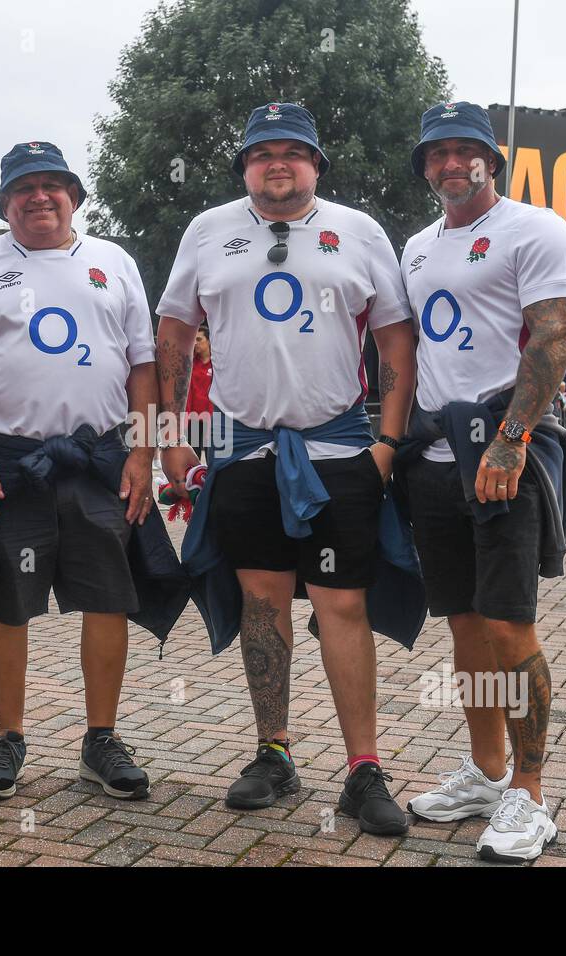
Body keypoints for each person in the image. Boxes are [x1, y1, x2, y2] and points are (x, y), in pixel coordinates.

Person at [155, 102, 419, 835]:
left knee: (342, 606)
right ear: (244, 167)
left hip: (338, 453)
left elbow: (396, 340)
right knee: (262, 607)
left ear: (315, 165)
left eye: (293, 152)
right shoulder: (208, 230)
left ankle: (363, 769)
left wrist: (388, 444)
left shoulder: (359, 230)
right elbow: (175, 331)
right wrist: (174, 433)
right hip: (241, 453)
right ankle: (274, 751)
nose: (278, 163)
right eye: (261, 152)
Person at [0, 140, 166, 802]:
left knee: (108, 597)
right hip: (10, 461)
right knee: (8, 602)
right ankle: (8, 737)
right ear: (6, 202)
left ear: (74, 197)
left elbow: (143, 364)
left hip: (100, 459)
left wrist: (144, 454)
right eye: (24, 188)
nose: (40, 196)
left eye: (53, 185)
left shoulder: (114, 262)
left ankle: (101, 739)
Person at [396, 101, 566, 862]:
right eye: (436, 153)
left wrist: (510, 440)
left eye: (464, 151)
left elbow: (555, 333)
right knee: (466, 627)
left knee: (509, 625)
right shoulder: (413, 247)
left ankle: (531, 797)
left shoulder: (534, 228)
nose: (450, 163)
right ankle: (485, 771)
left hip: (508, 449)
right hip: (438, 459)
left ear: (492, 160)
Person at [185, 324, 214, 460]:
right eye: (193, 340)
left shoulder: (217, 363)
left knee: (212, 456)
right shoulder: (191, 363)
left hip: (213, 418)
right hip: (194, 418)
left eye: (199, 339)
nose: (195, 343)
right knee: (193, 457)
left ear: (208, 340)